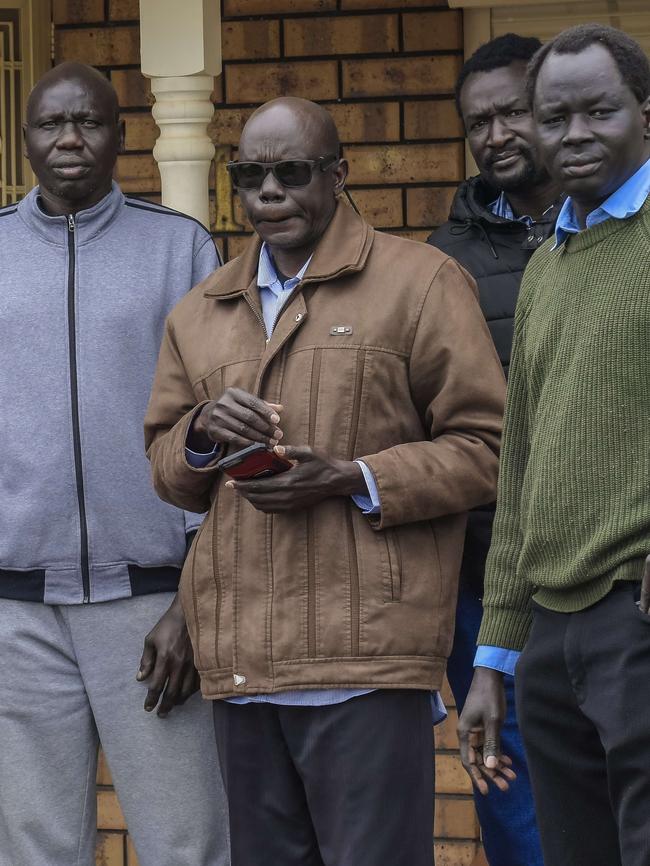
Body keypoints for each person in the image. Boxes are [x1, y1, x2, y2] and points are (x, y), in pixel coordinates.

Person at [144, 95, 506, 866]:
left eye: (291, 173)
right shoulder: (201, 311)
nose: (268, 193)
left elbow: (489, 449)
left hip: (367, 658)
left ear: (338, 176)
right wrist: (203, 434)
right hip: (243, 664)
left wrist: (354, 475)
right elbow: (168, 468)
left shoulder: (422, 282)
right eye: (250, 176)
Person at [0, 62, 229, 866]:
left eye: (89, 122)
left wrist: (195, 604)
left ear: (120, 134)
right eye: (50, 124)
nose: (69, 139)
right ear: (24, 138)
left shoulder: (179, 248)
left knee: (188, 842)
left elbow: (222, 431)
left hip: (153, 603)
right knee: (32, 848)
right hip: (16, 612)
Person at [457, 24, 650, 866]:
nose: (575, 135)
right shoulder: (549, 265)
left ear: (645, 112)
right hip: (548, 633)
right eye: (555, 115)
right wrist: (493, 659)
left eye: (599, 112)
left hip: (634, 613)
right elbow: (522, 463)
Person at [427, 33, 562, 866]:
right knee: (511, 796)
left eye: (513, 111)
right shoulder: (442, 265)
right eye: (479, 121)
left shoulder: (623, 234)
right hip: (485, 576)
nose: (497, 134)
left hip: (613, 575)